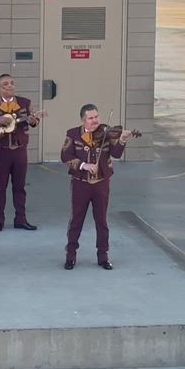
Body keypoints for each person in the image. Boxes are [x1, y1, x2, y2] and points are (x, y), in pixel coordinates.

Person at [61, 103, 134, 270]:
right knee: (76, 219)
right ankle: (70, 255)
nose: (95, 121)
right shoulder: (72, 134)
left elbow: (115, 153)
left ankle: (103, 256)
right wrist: (83, 165)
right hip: (81, 184)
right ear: (83, 120)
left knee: (101, 220)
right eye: (90, 118)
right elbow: (65, 156)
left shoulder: (106, 133)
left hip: (101, 183)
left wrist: (122, 139)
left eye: (96, 117)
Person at [0, 74, 42, 232]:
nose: (9, 86)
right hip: (1, 150)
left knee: (20, 186)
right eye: (5, 84)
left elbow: (34, 122)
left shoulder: (24, 102)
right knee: (0, 186)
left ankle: (20, 219)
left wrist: (34, 119)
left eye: (12, 83)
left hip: (20, 150)